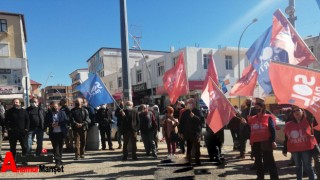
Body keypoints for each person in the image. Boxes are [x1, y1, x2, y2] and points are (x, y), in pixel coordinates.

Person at [245, 102, 279, 180]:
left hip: (266, 141)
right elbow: (250, 129)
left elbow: (272, 129)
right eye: (255, 108)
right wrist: (246, 123)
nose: (256, 109)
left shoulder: (269, 117)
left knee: (269, 160)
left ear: (263, 108)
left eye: (258, 107)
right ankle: (260, 176)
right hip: (256, 142)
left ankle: (274, 177)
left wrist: (273, 141)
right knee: (258, 161)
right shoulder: (252, 118)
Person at [283, 106, 316, 180]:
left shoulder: (308, 121)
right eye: (294, 111)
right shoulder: (288, 124)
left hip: (306, 148)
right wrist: (284, 148)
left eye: (298, 110)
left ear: (303, 111)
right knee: (298, 166)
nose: (296, 112)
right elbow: (286, 137)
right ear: (292, 114)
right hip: (294, 149)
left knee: (308, 166)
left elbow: (311, 115)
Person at [179, 98, 204, 166]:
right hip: (188, 133)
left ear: (194, 104)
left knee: (197, 148)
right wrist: (180, 132)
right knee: (189, 147)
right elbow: (181, 123)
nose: (190, 104)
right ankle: (189, 161)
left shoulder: (198, 111)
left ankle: (197, 161)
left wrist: (194, 116)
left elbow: (201, 121)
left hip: (196, 133)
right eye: (189, 103)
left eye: (191, 103)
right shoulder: (185, 112)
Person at [45, 102, 68, 167]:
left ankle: (59, 159)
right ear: (50, 107)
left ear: (58, 106)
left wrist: (58, 124)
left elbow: (66, 121)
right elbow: (46, 123)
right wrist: (51, 125)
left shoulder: (62, 113)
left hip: (61, 132)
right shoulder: (48, 114)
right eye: (53, 106)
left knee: (60, 147)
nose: (54, 107)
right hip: (53, 133)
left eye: (55, 106)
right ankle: (57, 161)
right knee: (55, 148)